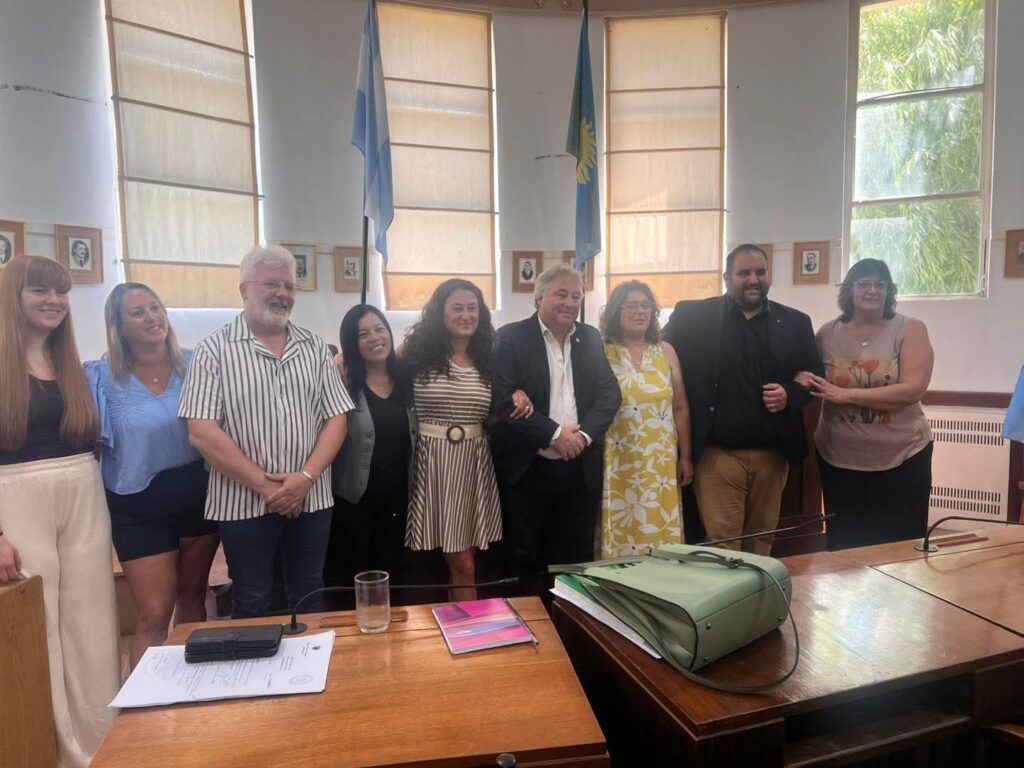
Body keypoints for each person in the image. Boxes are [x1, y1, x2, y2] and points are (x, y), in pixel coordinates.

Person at [179, 245, 353, 618]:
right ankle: (257, 660)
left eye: (289, 287)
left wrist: (305, 478)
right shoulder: (213, 350)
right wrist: (266, 487)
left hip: (311, 498)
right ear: (244, 289)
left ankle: (311, 658)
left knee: (310, 593)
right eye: (271, 284)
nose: (283, 294)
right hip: (242, 502)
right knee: (252, 598)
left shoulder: (314, 347)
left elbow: (337, 418)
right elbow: (202, 432)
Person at [0, 255, 120, 768]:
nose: (54, 301)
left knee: (93, 623)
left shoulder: (69, 362)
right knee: (40, 626)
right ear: (13, 296)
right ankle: (51, 751)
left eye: (62, 291)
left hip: (82, 489)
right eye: (40, 290)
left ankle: (102, 743)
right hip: (17, 495)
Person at [85, 282, 219, 669]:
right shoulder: (99, 377)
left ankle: (193, 689)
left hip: (198, 495)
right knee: (154, 613)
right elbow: (90, 446)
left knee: (193, 599)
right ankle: (143, 703)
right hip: (137, 505)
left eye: (156, 307)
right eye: (138, 312)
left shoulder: (196, 365)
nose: (152, 317)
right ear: (119, 326)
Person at [662, 244, 823, 556]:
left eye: (760, 272)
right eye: (744, 273)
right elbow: (657, 356)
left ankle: (758, 591)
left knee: (761, 542)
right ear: (727, 277)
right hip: (717, 455)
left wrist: (791, 393)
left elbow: (814, 373)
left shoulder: (795, 322)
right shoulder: (694, 316)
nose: (753, 279)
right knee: (723, 547)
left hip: (772, 456)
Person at [490, 264, 622, 595]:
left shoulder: (590, 338)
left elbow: (609, 394)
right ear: (539, 298)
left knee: (575, 554)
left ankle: (571, 619)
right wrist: (554, 434)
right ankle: (534, 623)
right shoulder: (510, 337)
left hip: (579, 466)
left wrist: (582, 437)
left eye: (576, 296)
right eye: (561, 294)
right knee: (526, 555)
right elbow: (503, 399)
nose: (570, 302)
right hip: (528, 467)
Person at [803, 259, 934, 550]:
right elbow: (808, 376)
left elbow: (913, 389)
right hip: (838, 460)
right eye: (864, 284)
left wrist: (846, 395)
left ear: (889, 291)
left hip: (903, 458)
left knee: (899, 550)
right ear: (849, 290)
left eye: (880, 284)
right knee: (846, 549)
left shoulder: (910, 329)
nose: (872, 290)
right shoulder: (826, 334)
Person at [402, 279, 517, 601]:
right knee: (461, 563)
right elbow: (378, 366)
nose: (466, 315)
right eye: (457, 308)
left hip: (474, 462)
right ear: (440, 313)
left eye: (472, 308)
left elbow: (494, 411)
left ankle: (461, 622)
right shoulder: (417, 350)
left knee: (466, 560)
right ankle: (466, 624)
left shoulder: (489, 357)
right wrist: (342, 359)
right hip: (432, 463)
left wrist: (517, 396)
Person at [326, 305, 415, 601]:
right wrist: (336, 362)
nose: (375, 338)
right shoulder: (343, 381)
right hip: (352, 502)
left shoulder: (406, 378)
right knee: (351, 582)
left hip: (398, 501)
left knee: (392, 580)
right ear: (351, 344)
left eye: (379, 329)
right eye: (362, 334)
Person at [599, 280, 692, 558]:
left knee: (658, 520)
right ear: (616, 311)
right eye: (631, 306)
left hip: (660, 460)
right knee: (621, 523)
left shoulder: (666, 351)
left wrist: (685, 457)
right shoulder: (601, 351)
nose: (639, 312)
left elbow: (680, 407)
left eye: (645, 305)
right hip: (617, 459)